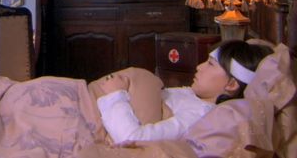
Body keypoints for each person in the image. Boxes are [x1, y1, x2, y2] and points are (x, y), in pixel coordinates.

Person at [97, 39, 273, 144]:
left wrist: (115, 95)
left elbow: (133, 139)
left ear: (232, 84)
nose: (199, 67)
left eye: (210, 64)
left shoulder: (199, 115)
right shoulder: (192, 96)